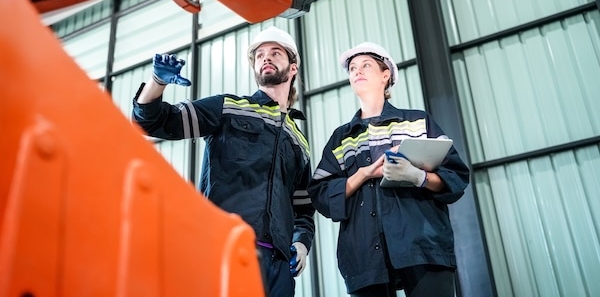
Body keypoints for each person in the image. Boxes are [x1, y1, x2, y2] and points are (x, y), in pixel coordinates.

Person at [132, 26, 315, 297]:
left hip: (278, 267)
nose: (266, 58)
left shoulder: (299, 141)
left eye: (275, 53)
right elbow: (151, 121)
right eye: (260, 54)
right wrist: (157, 82)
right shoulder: (227, 108)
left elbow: (304, 210)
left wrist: (301, 244)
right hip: (224, 251)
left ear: (293, 68)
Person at [307, 42, 470, 297]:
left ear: (386, 75)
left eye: (366, 65)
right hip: (364, 257)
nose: (357, 71)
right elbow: (320, 193)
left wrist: (419, 177)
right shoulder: (342, 138)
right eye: (352, 68)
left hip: (423, 247)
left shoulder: (418, 122)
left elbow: (456, 176)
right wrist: (363, 174)